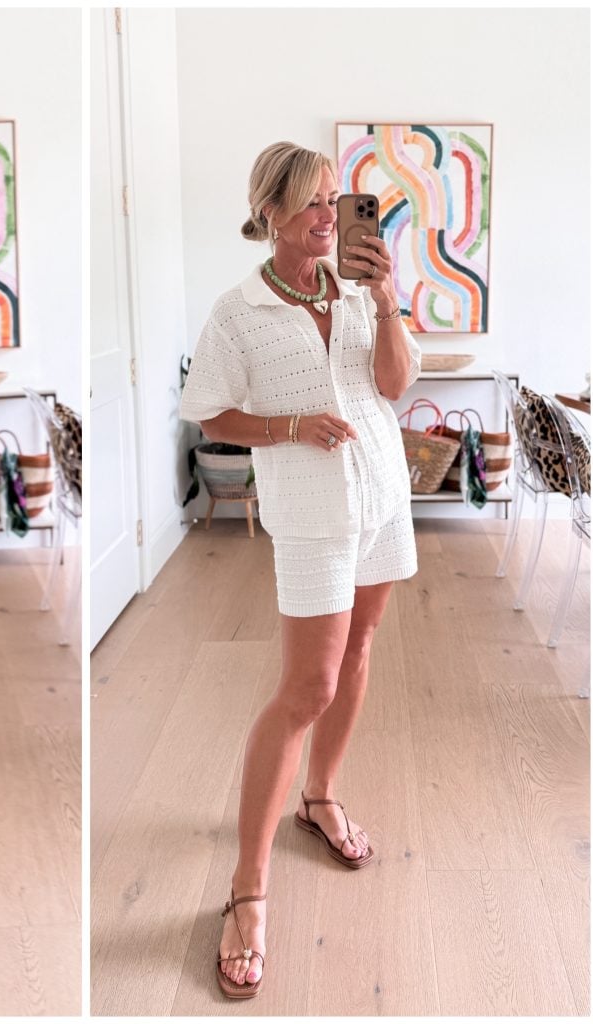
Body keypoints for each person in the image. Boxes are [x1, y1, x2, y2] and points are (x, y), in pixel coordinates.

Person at [179, 141, 421, 999]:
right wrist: (290, 427)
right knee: (305, 688)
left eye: (336, 199)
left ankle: (319, 796)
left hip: (382, 495)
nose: (329, 214)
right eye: (312, 201)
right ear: (270, 213)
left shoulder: (358, 290)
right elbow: (209, 413)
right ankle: (247, 890)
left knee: (360, 651)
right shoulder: (237, 311)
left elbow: (393, 385)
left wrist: (385, 300)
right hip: (312, 515)